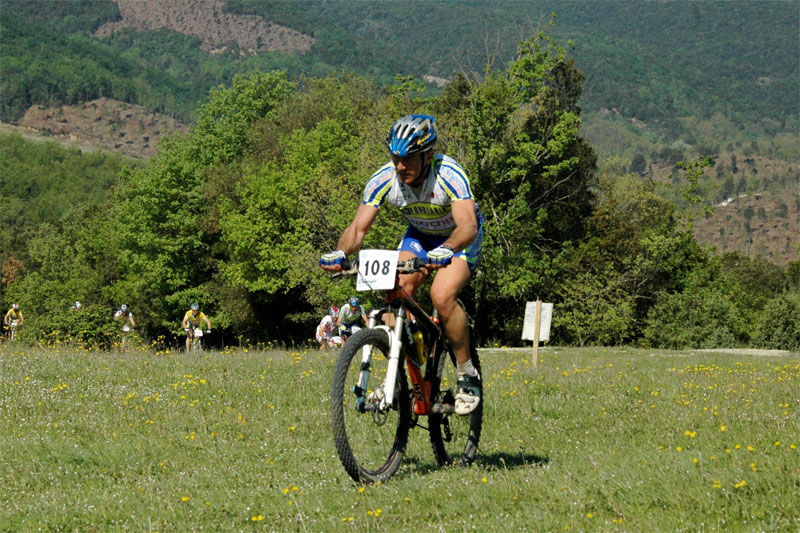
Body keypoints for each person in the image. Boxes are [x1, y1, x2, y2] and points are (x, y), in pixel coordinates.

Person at [320, 114, 484, 415]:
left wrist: (447, 248)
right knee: (395, 291)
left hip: (459, 238)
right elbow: (357, 229)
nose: (400, 166)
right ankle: (402, 373)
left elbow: (468, 225)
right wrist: (341, 253)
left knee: (442, 295)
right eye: (396, 157)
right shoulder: (384, 179)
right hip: (420, 235)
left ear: (428, 156)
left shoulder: (449, 174)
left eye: (408, 159)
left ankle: (466, 372)